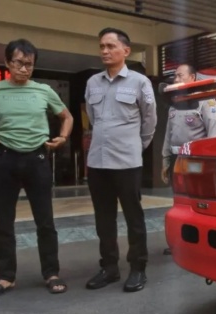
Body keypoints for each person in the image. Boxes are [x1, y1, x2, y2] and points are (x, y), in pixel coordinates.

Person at [0, 39, 73, 299]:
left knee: (45, 221)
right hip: (3, 159)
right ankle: (6, 277)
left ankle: (51, 273)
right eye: (19, 63)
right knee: (3, 223)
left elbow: (66, 116)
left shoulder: (44, 90)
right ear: (6, 63)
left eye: (29, 65)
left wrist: (63, 137)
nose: (24, 69)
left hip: (37, 159)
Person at [84, 28, 157, 293]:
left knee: (133, 218)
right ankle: (109, 268)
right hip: (98, 161)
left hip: (127, 162)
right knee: (103, 219)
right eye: (102, 46)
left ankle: (138, 268)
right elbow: (93, 117)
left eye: (111, 46)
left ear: (125, 50)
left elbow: (149, 120)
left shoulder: (139, 82)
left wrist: (136, 146)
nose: (104, 51)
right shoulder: (93, 82)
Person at [161, 64, 216, 255]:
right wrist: (165, 160)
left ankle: (205, 242)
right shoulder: (174, 102)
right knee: (180, 202)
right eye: (175, 77)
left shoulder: (206, 101)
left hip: (196, 160)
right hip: (176, 159)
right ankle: (180, 241)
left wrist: (209, 162)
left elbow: (213, 134)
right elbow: (168, 135)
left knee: (200, 202)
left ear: (192, 78)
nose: (176, 80)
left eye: (180, 76)